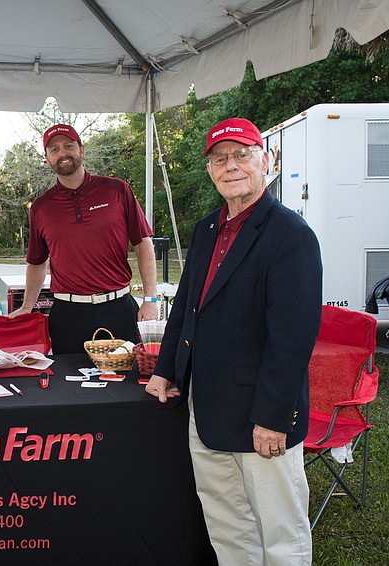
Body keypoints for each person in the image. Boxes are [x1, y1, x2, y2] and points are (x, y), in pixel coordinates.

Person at [145, 117, 322, 564]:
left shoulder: (291, 235)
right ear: (210, 170)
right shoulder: (207, 229)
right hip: (207, 408)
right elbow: (185, 309)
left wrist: (274, 417)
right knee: (228, 527)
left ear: (266, 160)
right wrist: (166, 370)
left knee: (281, 533)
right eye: (220, 159)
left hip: (261, 415)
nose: (231, 166)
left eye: (242, 154)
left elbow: (293, 339)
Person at [8, 123, 158, 354]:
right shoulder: (41, 207)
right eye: (54, 149)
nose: (62, 153)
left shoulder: (117, 190)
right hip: (68, 315)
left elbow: (143, 243)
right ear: (47, 159)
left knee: (126, 384)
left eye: (69, 146)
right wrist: (27, 306)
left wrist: (150, 299)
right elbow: (37, 261)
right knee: (69, 388)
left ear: (81, 149)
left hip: (118, 308)